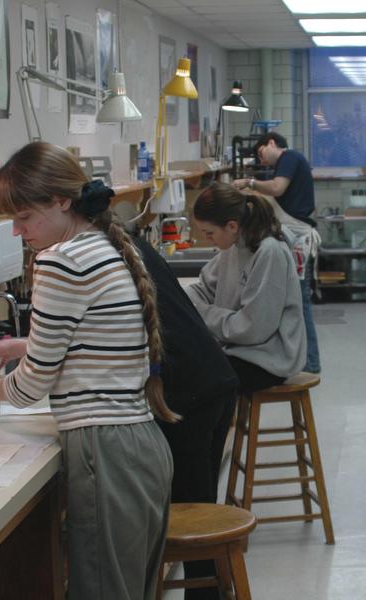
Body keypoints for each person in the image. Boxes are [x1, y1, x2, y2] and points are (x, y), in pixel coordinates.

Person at [0, 142, 174, 600]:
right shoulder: (102, 244)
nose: (17, 231)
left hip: (105, 451)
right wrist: (26, 345)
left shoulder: (60, 261)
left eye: (24, 217)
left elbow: (34, 383)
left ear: (60, 202)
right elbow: (96, 338)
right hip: (140, 444)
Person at [132, 235, 238, 600]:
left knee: (194, 514)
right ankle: (210, 591)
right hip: (211, 379)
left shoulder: (94, 256)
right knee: (201, 507)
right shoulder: (129, 244)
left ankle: (206, 593)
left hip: (189, 392)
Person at [187, 182, 306, 394]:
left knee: (196, 380)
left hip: (268, 359)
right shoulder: (232, 246)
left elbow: (253, 329)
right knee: (181, 365)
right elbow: (205, 289)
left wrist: (203, 313)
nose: (207, 239)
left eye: (210, 233)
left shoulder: (269, 252)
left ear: (232, 226)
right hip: (240, 349)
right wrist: (180, 299)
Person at [233, 132, 321, 374]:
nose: (262, 161)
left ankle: (310, 362)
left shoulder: (289, 157)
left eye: (261, 153)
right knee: (297, 300)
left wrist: (248, 182)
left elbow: (277, 188)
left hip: (299, 239)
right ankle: (305, 360)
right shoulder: (287, 163)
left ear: (271, 143)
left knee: (300, 302)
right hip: (295, 237)